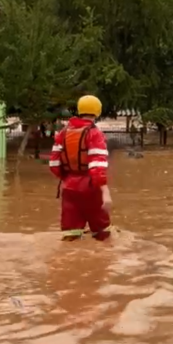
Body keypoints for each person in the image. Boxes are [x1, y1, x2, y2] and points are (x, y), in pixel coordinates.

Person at [49, 95, 113, 241]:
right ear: (98, 111)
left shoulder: (63, 133)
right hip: (90, 187)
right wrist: (105, 191)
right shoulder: (95, 133)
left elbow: (53, 164)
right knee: (103, 234)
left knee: (70, 235)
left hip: (68, 187)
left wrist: (68, 179)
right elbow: (98, 165)